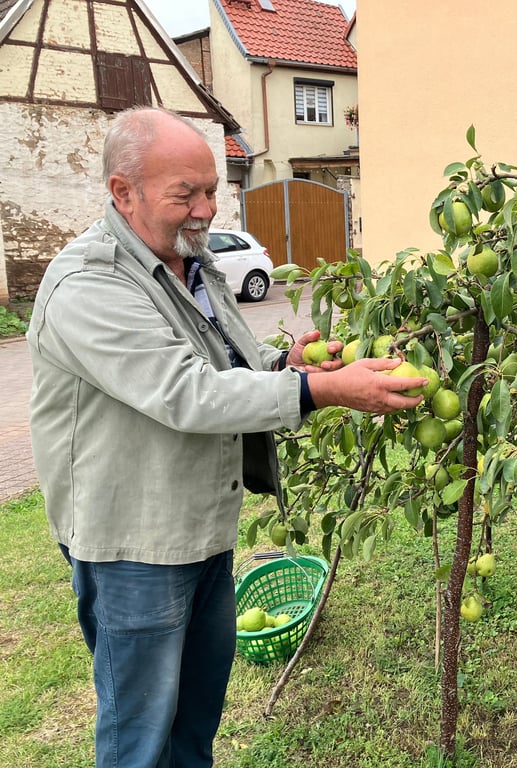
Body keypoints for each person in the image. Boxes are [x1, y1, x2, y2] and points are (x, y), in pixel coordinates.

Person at [27, 106, 426, 768]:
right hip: (135, 548)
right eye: (186, 193)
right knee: (140, 738)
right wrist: (321, 391)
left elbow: (228, 368)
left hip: (203, 531)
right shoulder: (88, 283)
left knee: (192, 726)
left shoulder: (194, 262)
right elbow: (186, 392)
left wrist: (289, 367)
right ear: (123, 193)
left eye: (211, 189)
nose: (207, 208)